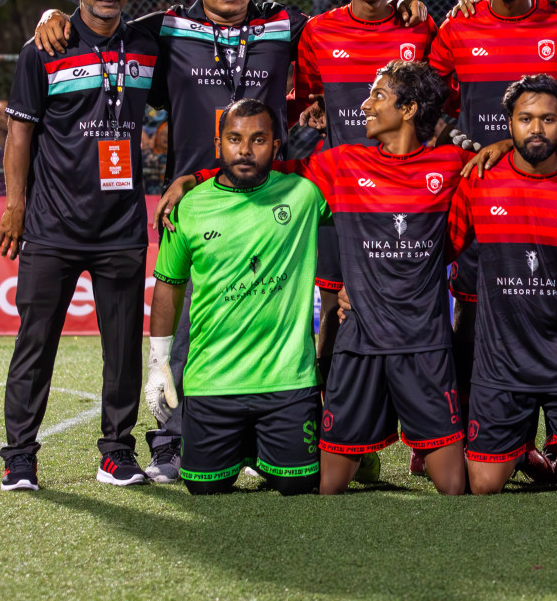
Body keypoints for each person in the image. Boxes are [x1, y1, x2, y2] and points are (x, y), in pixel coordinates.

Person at [33, 0, 431, 484]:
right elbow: (102, 24)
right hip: (195, 198)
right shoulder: (167, 27)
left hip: (274, 198)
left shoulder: (283, 25)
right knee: (192, 325)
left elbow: (359, 23)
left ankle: (307, 433)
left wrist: (405, 6)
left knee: (279, 321)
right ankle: (170, 442)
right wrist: (55, 13)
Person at [159, 61, 472, 495]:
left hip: (425, 345)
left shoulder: (454, 164)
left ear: (409, 108)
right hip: (359, 342)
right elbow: (271, 173)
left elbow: (498, 187)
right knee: (323, 488)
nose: (364, 104)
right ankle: (359, 452)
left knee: (455, 489)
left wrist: (491, 151)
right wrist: (196, 178)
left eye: (378, 96)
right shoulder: (343, 164)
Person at [0, 0, 160, 490]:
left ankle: (116, 452)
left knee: (122, 349)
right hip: (52, 225)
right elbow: (19, 133)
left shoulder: (147, 43)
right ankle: (19, 455)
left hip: (120, 226)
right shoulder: (42, 49)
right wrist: (15, 206)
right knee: (34, 343)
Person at [428, 0, 557, 404]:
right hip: (482, 191)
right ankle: (464, 420)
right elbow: (432, 109)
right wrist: (463, 141)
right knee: (470, 309)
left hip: (554, 193)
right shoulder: (456, 28)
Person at [145, 99, 328, 495]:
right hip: (212, 384)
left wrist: (350, 285)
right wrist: (158, 365)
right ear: (219, 144)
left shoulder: (304, 193)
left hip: (286, 383)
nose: (245, 150)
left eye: (258, 140)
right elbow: (167, 288)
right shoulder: (188, 206)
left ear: (276, 146)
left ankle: (350, 448)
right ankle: (247, 446)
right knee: (204, 489)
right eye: (235, 139)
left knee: (300, 485)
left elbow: (366, 210)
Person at [293, 0, 439, 416]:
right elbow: (311, 95)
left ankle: (424, 427)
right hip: (344, 195)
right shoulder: (318, 31)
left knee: (416, 309)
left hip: (408, 196)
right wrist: (315, 108)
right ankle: (333, 422)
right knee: (335, 309)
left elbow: (440, 99)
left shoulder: (420, 27)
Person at [448, 75, 557, 496]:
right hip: (501, 365)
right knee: (482, 487)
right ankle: (517, 449)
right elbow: (438, 253)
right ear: (509, 124)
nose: (536, 129)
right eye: (525, 119)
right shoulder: (478, 181)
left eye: (548, 118)